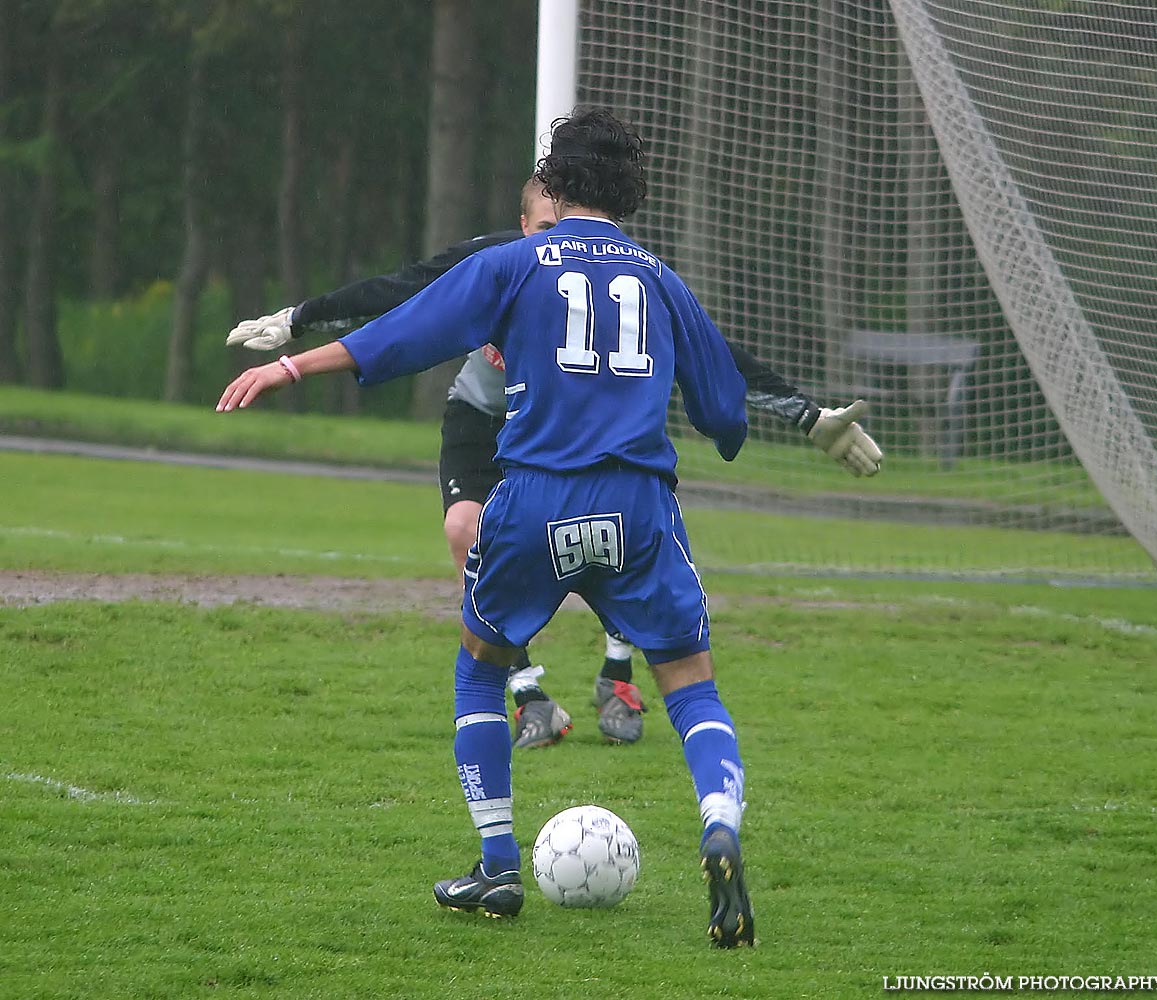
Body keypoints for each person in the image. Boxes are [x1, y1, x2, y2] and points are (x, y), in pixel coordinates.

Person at [217, 106, 881, 948]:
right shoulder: (659, 278)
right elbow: (721, 409)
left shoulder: (517, 262)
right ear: (629, 192)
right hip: (638, 508)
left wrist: (288, 362)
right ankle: (718, 823)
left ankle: (496, 865)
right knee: (693, 684)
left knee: (478, 669)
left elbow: (403, 332)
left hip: (534, 502)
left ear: (554, 183)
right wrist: (787, 416)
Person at [225, 180, 883, 752]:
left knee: (605, 539)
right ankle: (528, 695)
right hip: (486, 421)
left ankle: (617, 675)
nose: (553, 238)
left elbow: (712, 351)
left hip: (581, 433)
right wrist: (296, 320)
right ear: (523, 226)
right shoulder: (497, 262)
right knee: (466, 530)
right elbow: (399, 295)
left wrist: (804, 415)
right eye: (542, 227)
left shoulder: (624, 274)